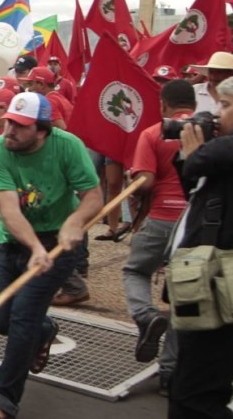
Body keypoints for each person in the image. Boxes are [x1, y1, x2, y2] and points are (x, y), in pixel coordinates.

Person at [0, 92, 102, 419]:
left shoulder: (68, 146)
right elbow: (10, 212)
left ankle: (2, 402)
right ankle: (44, 332)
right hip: (10, 241)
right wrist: (34, 249)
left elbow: (94, 196)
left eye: (20, 126)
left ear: (42, 131)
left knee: (23, 316)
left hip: (57, 241)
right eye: (9, 120)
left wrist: (74, 221)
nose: (9, 129)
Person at [166, 76, 233, 417]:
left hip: (219, 287)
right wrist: (189, 156)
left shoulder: (223, 150)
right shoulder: (218, 157)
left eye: (225, 106)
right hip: (212, 282)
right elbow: (193, 186)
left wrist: (195, 151)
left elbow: (202, 161)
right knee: (194, 385)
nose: (216, 116)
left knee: (195, 394)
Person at [123, 80, 194, 396]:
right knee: (181, 299)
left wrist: (133, 178)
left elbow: (147, 182)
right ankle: (169, 374)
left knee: (135, 270)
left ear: (164, 105)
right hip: (193, 225)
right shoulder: (209, 131)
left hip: (162, 219)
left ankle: (145, 315)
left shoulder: (153, 133)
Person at [188, 51, 233, 115]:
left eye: (219, 72)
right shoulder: (194, 91)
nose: (213, 76)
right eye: (211, 72)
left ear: (231, 74)